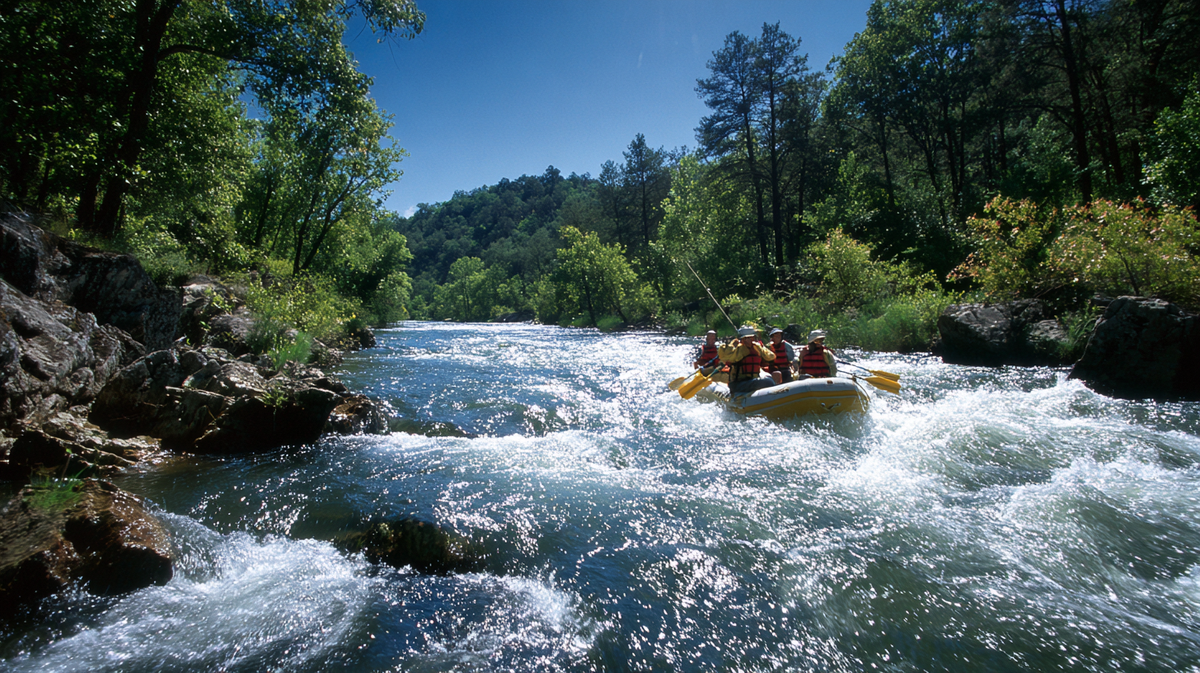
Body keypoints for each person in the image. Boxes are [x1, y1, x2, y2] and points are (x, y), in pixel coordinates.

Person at [718, 325, 776, 395]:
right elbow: (724, 356)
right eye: (746, 338)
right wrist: (732, 345)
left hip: (752, 380)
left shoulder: (756, 347)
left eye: (750, 338)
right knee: (768, 382)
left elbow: (771, 356)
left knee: (771, 379)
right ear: (742, 339)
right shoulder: (740, 349)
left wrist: (762, 346)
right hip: (738, 384)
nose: (748, 340)